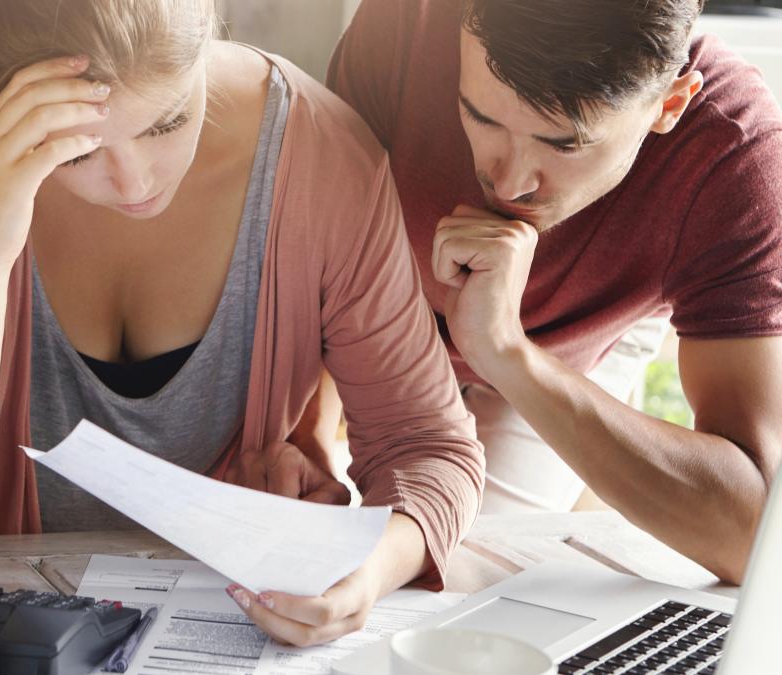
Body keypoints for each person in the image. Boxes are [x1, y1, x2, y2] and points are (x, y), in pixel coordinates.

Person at [0, 0, 485, 646]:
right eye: (75, 153)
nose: (134, 183)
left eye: (168, 121)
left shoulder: (320, 152)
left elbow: (427, 448)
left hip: (229, 643)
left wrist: (366, 573)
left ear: (207, 30)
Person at [327, 0, 782, 583]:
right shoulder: (408, 20)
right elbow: (320, 249)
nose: (510, 184)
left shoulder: (737, 153)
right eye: (480, 116)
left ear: (670, 104)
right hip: (384, 303)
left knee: (454, 566)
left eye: (564, 144)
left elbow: (751, 536)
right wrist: (311, 442)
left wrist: (506, 350)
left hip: (583, 330)